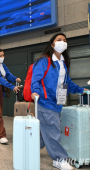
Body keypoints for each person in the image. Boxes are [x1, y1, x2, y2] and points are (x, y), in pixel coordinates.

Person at [31, 33, 89, 170]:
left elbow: (67, 82)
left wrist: (81, 90)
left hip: (58, 103)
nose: (62, 42)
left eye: (64, 40)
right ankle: (59, 159)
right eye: (59, 40)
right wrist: (35, 92)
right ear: (52, 44)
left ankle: (29, 148)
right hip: (46, 102)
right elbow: (36, 79)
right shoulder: (44, 60)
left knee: (45, 131)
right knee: (53, 131)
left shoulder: (63, 63)